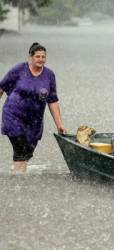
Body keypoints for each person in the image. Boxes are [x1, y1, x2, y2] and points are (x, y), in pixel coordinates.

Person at [0, 42, 66, 173]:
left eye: (43, 57)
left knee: (28, 151)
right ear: (30, 57)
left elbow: (52, 101)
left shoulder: (49, 75)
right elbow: (1, 87)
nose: (41, 59)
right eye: (37, 56)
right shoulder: (19, 69)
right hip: (13, 116)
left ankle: (19, 172)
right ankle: (19, 180)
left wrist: (59, 125)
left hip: (34, 121)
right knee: (20, 147)